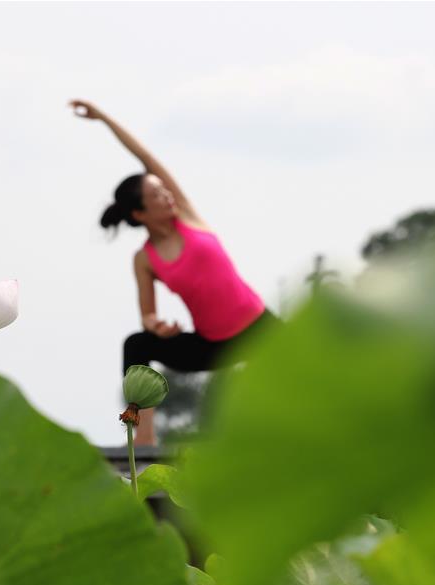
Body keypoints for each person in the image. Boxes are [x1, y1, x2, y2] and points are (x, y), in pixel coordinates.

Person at [69, 100, 280, 446]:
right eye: (156, 194)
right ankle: (143, 435)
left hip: (259, 328)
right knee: (137, 344)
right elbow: (148, 316)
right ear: (139, 213)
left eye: (164, 190)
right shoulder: (145, 259)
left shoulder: (187, 217)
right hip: (211, 345)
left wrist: (104, 118)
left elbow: (147, 158)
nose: (166, 196)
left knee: (314, 366)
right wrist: (157, 326)